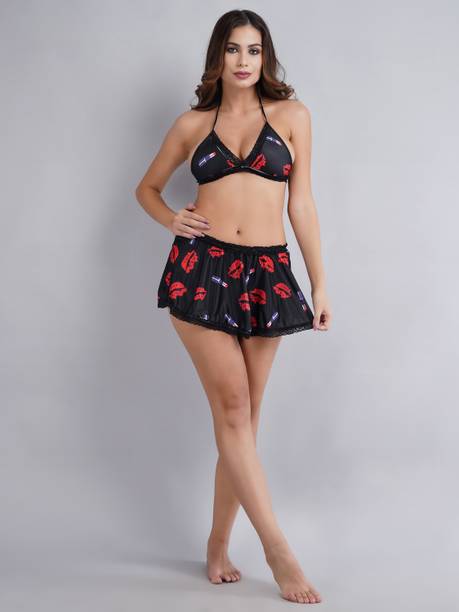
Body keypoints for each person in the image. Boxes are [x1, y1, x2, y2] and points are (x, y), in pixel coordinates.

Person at [135, 9, 331, 605]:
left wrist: (320, 284)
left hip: (268, 274)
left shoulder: (292, 117)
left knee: (243, 425)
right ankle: (278, 550)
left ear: (264, 57)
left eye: (254, 50)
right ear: (217, 56)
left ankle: (218, 545)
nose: (244, 61)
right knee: (234, 409)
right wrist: (172, 219)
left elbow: (301, 204)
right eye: (233, 49)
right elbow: (146, 188)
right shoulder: (193, 124)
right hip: (203, 270)